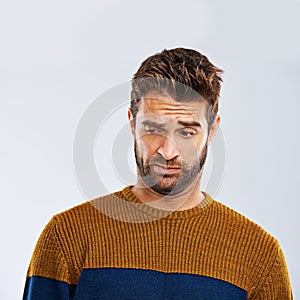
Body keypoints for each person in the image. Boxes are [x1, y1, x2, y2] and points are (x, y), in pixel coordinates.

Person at [23, 48, 293, 299]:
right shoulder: (67, 237)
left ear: (212, 130)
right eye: (153, 129)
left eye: (187, 132)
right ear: (132, 123)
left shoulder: (259, 255)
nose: (167, 150)